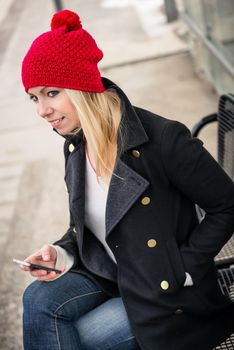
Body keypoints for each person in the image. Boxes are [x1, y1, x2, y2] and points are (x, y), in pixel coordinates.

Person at [19, 9, 234, 350]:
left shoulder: (162, 139)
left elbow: (227, 205)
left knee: (79, 339)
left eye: (51, 93)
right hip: (113, 271)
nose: (41, 110)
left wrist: (186, 267)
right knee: (38, 298)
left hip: (162, 291)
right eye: (34, 97)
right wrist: (61, 253)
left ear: (82, 86)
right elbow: (96, 224)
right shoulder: (77, 145)